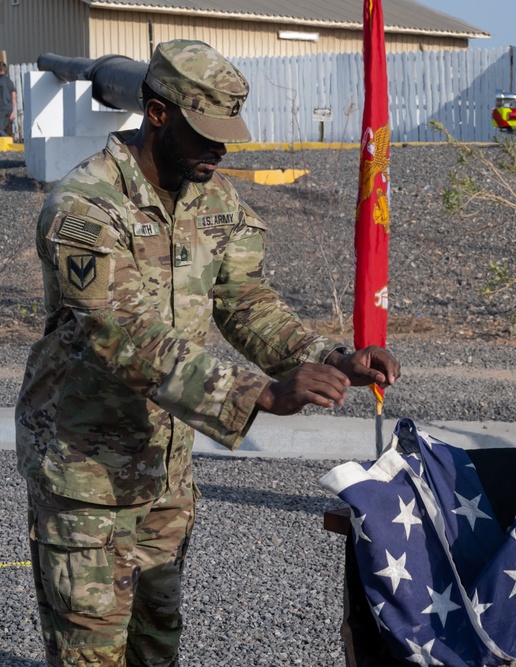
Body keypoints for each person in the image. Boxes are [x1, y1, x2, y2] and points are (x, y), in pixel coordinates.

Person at [15, 39, 400, 666]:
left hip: (165, 468)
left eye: (227, 132)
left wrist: (328, 355)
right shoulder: (85, 206)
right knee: (91, 653)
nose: (219, 148)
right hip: (84, 472)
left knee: (158, 639)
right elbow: (122, 334)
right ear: (158, 112)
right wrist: (258, 395)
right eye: (205, 131)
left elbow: (244, 297)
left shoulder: (214, 201)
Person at [0, 62, 17, 137]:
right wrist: (13, 111)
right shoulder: (10, 82)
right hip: (9, 109)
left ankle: (8, 142)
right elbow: (14, 97)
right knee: (3, 129)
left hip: (1, 109)